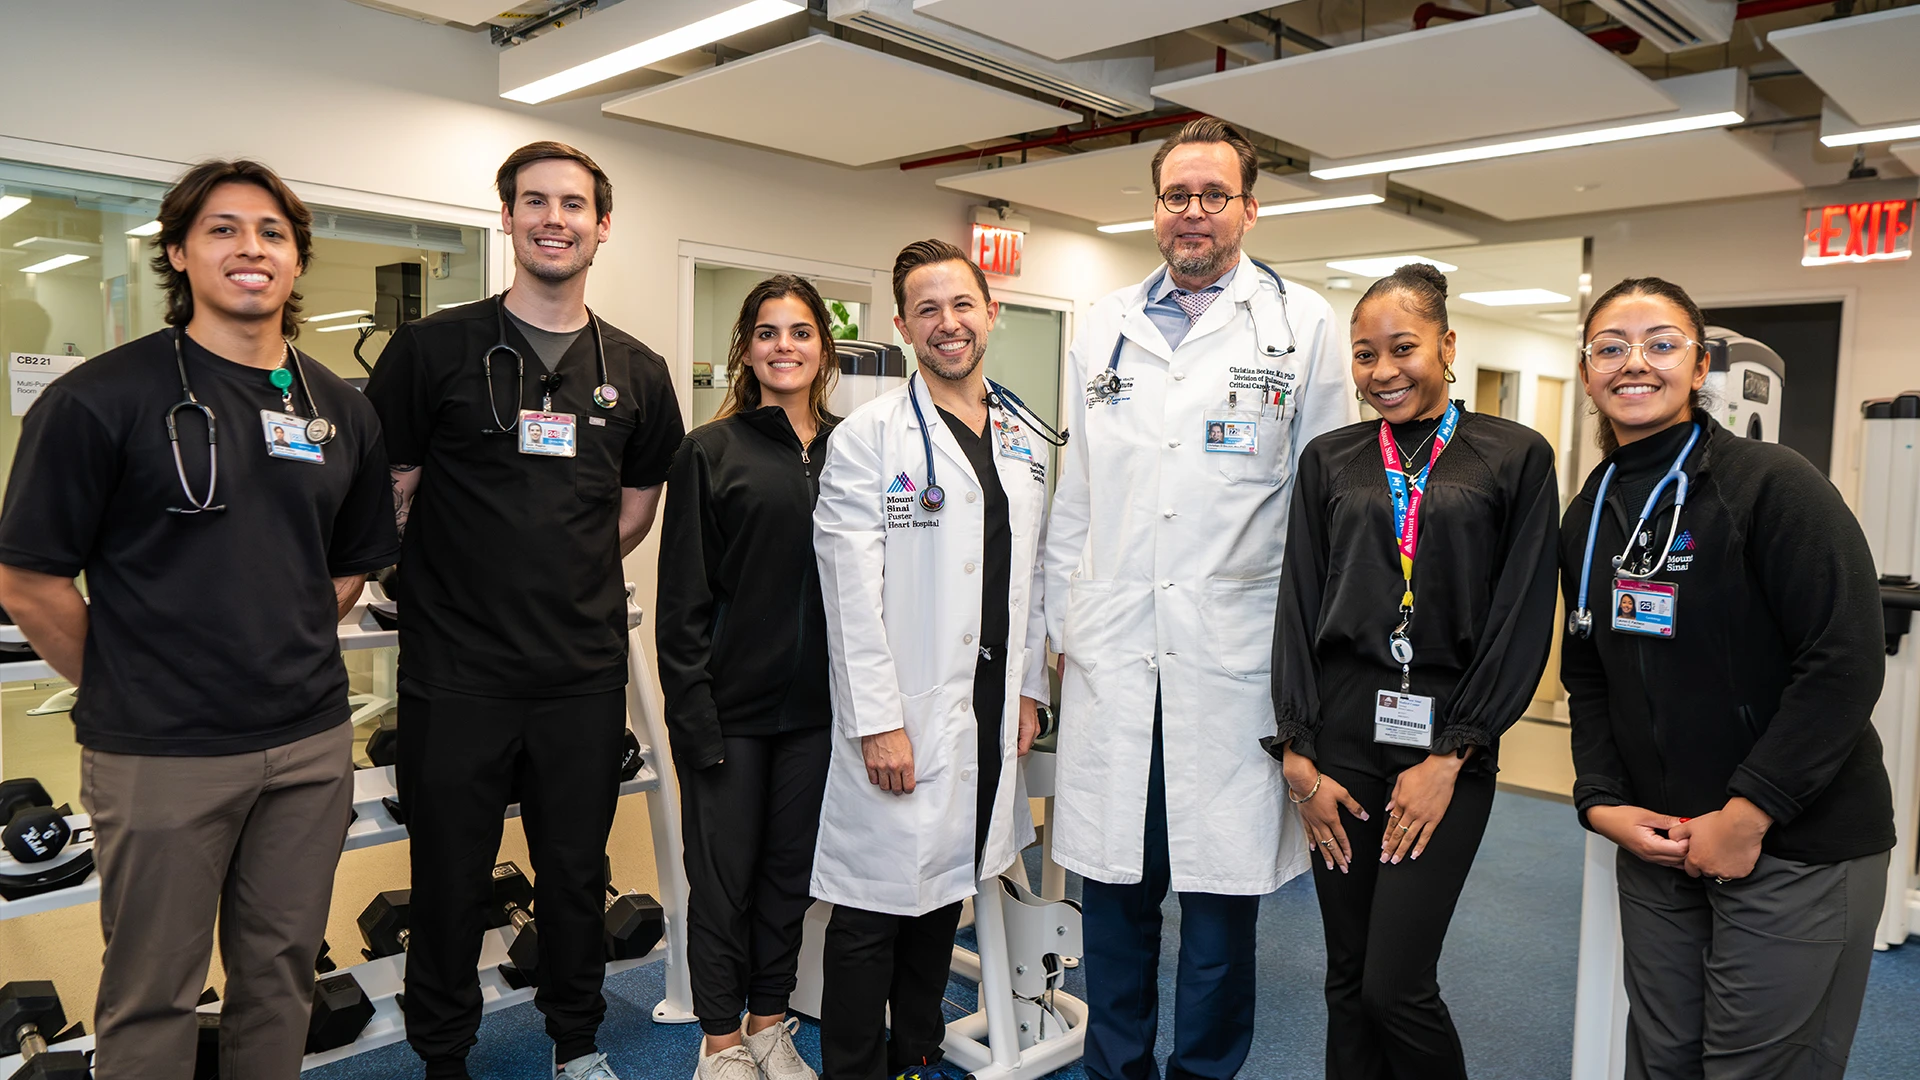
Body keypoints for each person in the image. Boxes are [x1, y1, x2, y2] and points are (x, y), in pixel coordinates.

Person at [0, 159, 397, 1079]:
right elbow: (27, 582)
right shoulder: (100, 398)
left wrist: (281, 635)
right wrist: (125, 685)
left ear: (297, 259)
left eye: (271, 231)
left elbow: (347, 566)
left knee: (280, 975)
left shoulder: (338, 409)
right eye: (221, 229)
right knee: (152, 992)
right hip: (159, 753)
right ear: (178, 252)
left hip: (306, 746)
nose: (249, 248)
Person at [1039, 116, 1351, 1079]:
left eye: (1215, 195)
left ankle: (1205, 1072)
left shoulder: (1301, 326)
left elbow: (1327, 505)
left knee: (1220, 910)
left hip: (1235, 658)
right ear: (1157, 207)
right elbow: (1076, 492)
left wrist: (1310, 669)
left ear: (1250, 209)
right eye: (1178, 195)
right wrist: (1060, 624)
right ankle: (1116, 1068)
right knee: (1116, 901)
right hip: (1117, 653)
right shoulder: (1102, 324)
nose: (1194, 213)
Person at [364, 141, 684, 1080]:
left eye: (574, 204)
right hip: (456, 677)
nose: (555, 218)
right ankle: (445, 1057)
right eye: (535, 201)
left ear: (602, 225)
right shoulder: (433, 351)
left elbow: (633, 509)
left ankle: (576, 1045)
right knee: (450, 881)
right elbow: (395, 488)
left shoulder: (637, 368)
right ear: (507, 216)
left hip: (580, 677)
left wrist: (558, 569)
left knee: (577, 880)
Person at [1561, 277, 1893, 1080]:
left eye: (1661, 342)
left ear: (1699, 362)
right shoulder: (1591, 510)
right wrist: (1601, 800)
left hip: (1794, 841)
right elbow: (1590, 671)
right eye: (1610, 347)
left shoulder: (1774, 486)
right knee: (1665, 1059)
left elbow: (1844, 660)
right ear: (1587, 372)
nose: (1634, 362)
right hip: (1659, 839)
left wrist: (1746, 816)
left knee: (1756, 1068)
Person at [1268, 264, 1559, 1079]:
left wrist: (1452, 755)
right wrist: (1297, 751)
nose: (1384, 371)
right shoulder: (1332, 460)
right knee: (1347, 977)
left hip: (1447, 737)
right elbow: (1296, 603)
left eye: (1404, 348)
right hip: (1341, 736)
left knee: (1397, 986)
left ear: (1448, 346)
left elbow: (1521, 615)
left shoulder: (1514, 456)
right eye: (1365, 355)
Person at [811, 239, 1051, 1080]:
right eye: (927, 310)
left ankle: (912, 1047)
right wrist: (878, 723)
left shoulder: (1024, 434)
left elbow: (1033, 572)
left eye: (961, 305)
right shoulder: (870, 437)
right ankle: (851, 1066)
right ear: (904, 326)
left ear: (993, 312)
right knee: (874, 908)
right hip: (905, 706)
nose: (948, 325)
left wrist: (1026, 691)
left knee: (942, 892)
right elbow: (849, 596)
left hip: (988, 703)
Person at [657, 275, 841, 1080]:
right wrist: (691, 715)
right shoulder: (710, 450)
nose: (784, 347)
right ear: (746, 349)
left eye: (800, 332)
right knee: (722, 881)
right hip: (728, 710)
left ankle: (771, 1021)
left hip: (819, 710)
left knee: (789, 876)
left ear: (823, 348)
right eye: (768, 333)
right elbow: (683, 600)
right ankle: (721, 1040)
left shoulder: (853, 448)